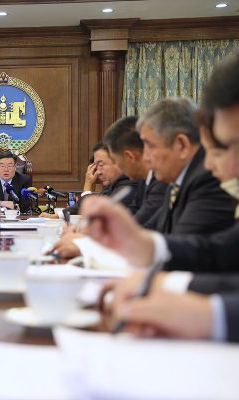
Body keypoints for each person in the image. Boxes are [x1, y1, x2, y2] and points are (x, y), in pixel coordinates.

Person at [82, 52, 239, 341]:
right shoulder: (176, 179)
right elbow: (219, 251)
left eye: (227, 147)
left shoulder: (202, 178)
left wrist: (205, 312)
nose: (218, 165)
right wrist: (143, 247)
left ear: (181, 145)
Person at [137, 97, 235, 234]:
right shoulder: (176, 181)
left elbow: (180, 241)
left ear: (181, 145)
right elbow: (156, 232)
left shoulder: (207, 178)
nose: (145, 157)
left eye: (150, 146)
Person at [102, 115, 167, 225]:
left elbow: (141, 223)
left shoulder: (162, 180)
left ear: (129, 156)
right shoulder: (142, 180)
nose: (117, 168)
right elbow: (133, 210)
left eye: (115, 161)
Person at [65, 142, 137, 215]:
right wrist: (60, 214)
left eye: (101, 165)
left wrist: (87, 185)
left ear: (117, 162)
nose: (98, 173)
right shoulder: (111, 185)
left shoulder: (128, 183)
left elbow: (96, 211)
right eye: (96, 167)